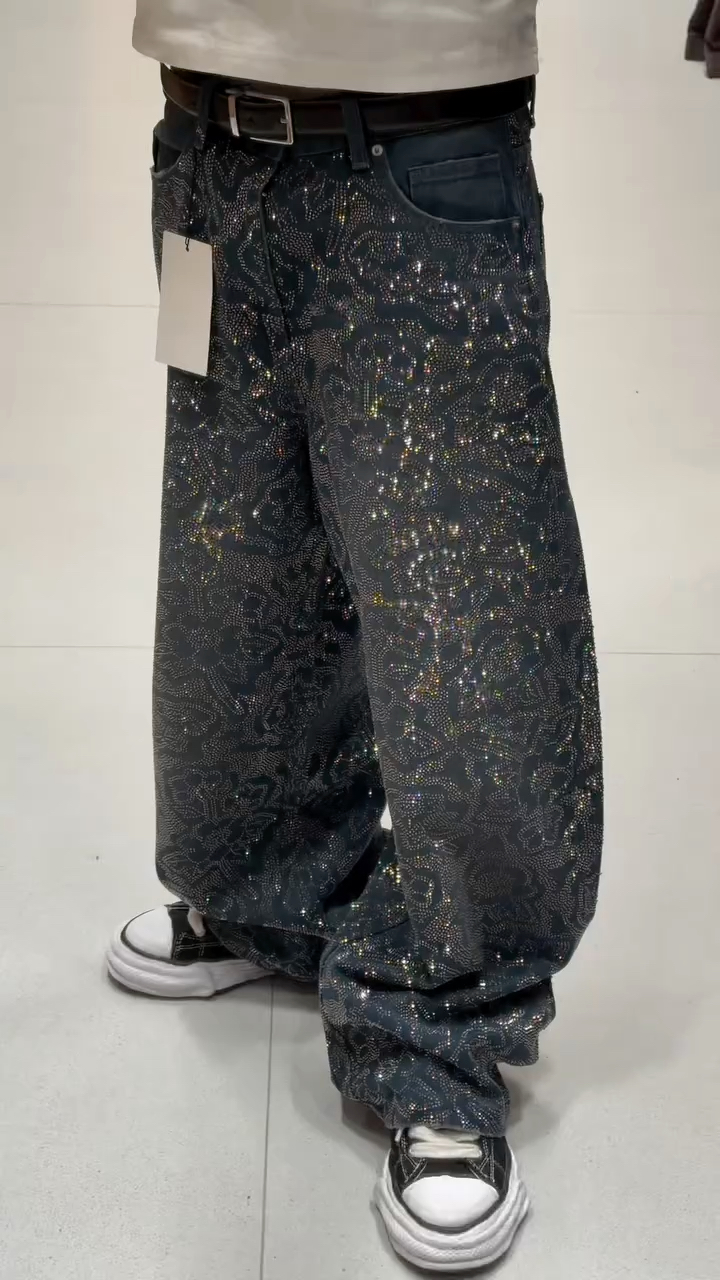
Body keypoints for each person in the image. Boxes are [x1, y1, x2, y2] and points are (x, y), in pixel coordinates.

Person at [106, 1, 603, 1270]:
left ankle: (446, 1020)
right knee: (241, 563)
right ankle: (273, 891)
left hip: (423, 136)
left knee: (467, 624)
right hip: (207, 127)